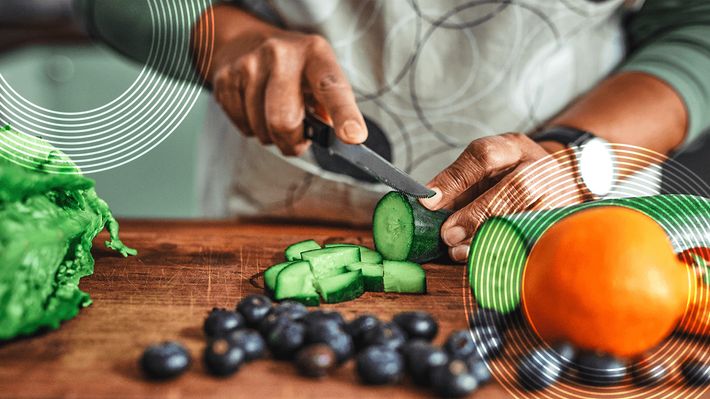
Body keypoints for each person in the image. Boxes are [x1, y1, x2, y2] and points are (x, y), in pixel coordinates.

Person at [73, 0, 710, 262]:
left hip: (569, 229)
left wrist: (575, 155)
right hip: (269, 205)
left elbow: (697, 27)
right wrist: (229, 39)